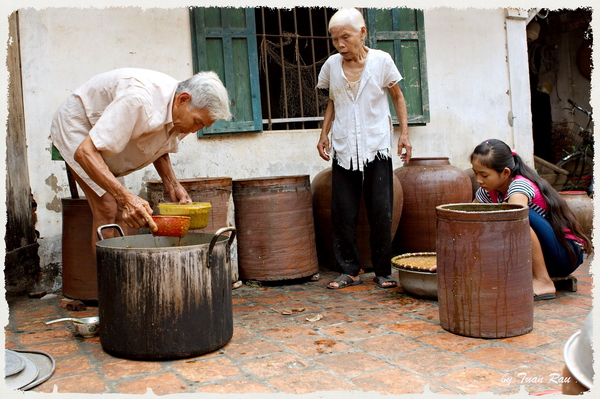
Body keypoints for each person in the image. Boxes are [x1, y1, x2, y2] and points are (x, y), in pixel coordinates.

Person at [51, 68, 231, 247]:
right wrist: (127, 197)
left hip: (104, 132)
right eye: (197, 122)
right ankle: (107, 275)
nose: (194, 130)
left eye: (202, 126)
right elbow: (85, 152)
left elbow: (158, 143)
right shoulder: (139, 100)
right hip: (79, 124)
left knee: (122, 210)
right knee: (107, 206)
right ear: (182, 99)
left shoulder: (182, 112)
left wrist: (172, 183)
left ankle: (122, 271)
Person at [316, 8, 411, 289]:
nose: (340, 45)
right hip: (345, 146)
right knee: (342, 210)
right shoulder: (332, 66)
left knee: (381, 210)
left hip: (376, 144)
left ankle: (383, 271)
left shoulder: (382, 61)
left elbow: (398, 97)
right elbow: (332, 100)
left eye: (345, 37)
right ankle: (349, 269)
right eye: (335, 40)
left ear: (362, 32)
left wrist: (404, 134)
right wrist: (324, 133)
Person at [469, 139, 592, 300]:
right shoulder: (488, 191)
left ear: (505, 173)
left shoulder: (519, 186)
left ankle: (543, 281)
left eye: (484, 175)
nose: (479, 180)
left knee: (515, 216)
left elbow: (516, 222)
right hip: (542, 257)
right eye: (475, 173)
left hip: (564, 256)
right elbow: (468, 221)